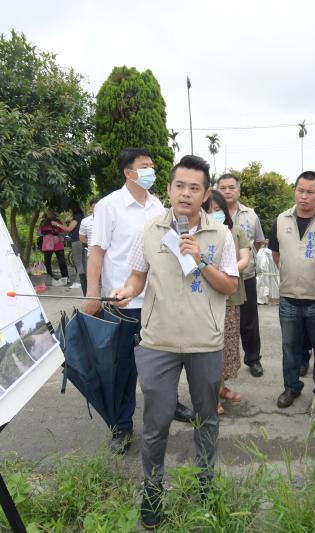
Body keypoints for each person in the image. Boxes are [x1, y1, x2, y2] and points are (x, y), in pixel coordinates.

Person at [109, 155, 239, 529]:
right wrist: (124, 291)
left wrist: (201, 261)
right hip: (158, 342)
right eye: (179, 186)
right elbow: (137, 277)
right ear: (168, 189)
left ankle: (205, 486)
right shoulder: (149, 230)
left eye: (194, 188)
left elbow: (230, 286)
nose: (185, 193)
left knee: (206, 419)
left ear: (205, 194)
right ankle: (152, 492)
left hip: (205, 343)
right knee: (156, 420)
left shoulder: (220, 235)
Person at [83, 148, 192, 455]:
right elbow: (97, 251)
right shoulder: (109, 206)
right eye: (145, 167)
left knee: (165, 360)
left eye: (153, 167)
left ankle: (170, 405)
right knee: (124, 369)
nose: (151, 171)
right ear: (128, 173)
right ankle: (122, 426)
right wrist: (93, 295)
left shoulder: (158, 205)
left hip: (157, 300)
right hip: (123, 301)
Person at [268, 171, 315, 413]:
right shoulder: (281, 220)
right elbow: (276, 255)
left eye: (310, 192)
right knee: (289, 348)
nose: (304, 196)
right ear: (294, 191)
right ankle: (291, 387)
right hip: (289, 298)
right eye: (300, 191)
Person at [203, 189, 250, 414]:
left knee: (227, 346)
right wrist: (216, 273)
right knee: (208, 348)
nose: (214, 214)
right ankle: (209, 394)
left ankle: (220, 387)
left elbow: (245, 260)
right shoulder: (199, 234)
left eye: (217, 209)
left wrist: (225, 271)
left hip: (230, 298)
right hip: (205, 299)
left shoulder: (236, 231)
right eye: (208, 210)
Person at [217, 173, 266, 377]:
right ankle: (221, 364)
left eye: (231, 187)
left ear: (238, 190)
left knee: (248, 322)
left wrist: (242, 262)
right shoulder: (211, 213)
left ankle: (253, 359)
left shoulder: (251, 215)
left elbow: (257, 242)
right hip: (216, 279)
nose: (227, 191)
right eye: (223, 188)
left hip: (245, 278)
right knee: (222, 321)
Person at [39, 211, 69, 286]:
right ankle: (49, 277)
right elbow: (39, 232)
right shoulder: (43, 222)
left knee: (61, 260)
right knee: (47, 261)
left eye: (52, 213)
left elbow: (64, 231)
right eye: (49, 213)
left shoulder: (58, 221)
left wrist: (57, 232)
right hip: (47, 243)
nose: (50, 214)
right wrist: (47, 232)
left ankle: (65, 277)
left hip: (58, 242)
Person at [78, 197, 100, 295]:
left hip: (107, 255)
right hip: (91, 255)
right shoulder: (85, 221)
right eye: (94, 207)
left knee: (107, 279)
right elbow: (81, 237)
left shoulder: (109, 219)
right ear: (91, 208)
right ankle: (92, 300)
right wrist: (91, 244)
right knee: (92, 279)